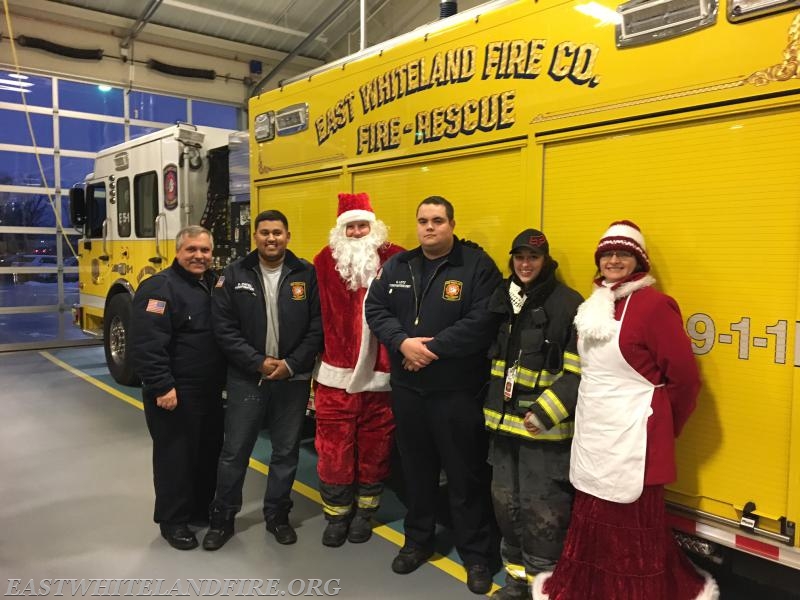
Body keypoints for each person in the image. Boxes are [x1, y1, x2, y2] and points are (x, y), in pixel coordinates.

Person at [533, 220, 718, 600]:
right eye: (607, 254)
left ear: (639, 262)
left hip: (635, 440)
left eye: (623, 254)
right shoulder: (592, 307)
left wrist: (664, 425)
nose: (614, 261)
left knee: (632, 527)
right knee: (593, 519)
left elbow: (685, 379)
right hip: (595, 436)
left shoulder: (654, 307)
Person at [365, 195, 502, 595]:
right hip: (409, 392)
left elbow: (483, 320)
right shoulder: (399, 266)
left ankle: (476, 554)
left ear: (452, 224)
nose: (429, 227)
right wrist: (402, 343)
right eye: (423, 220)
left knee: (465, 474)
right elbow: (376, 310)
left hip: (456, 394)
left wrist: (430, 349)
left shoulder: (477, 267)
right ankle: (418, 540)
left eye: (437, 220)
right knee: (416, 472)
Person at [202, 210, 322, 550]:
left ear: (288, 236)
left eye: (278, 233)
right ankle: (222, 518)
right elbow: (223, 329)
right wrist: (258, 363)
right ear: (255, 236)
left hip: (292, 380)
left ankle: (278, 517)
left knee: (285, 453)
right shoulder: (234, 274)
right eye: (265, 232)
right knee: (235, 451)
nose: (272, 238)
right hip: (246, 379)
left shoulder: (306, 274)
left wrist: (292, 364)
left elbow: (317, 326)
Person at [484, 229, 583, 599]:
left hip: (543, 434)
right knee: (506, 509)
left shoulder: (568, 304)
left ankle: (545, 590)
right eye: (519, 257)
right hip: (503, 429)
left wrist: (545, 413)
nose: (525, 264)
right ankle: (515, 584)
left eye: (533, 258)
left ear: (546, 262)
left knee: (543, 515)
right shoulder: (502, 300)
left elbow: (580, 372)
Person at [313, 192, 404, 547]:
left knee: (374, 449)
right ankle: (336, 517)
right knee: (333, 450)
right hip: (334, 377)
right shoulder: (323, 261)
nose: (355, 232)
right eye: (349, 226)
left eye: (361, 225)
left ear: (374, 227)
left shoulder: (395, 260)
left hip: (380, 380)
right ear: (340, 230)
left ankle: (365, 514)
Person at [130, 225, 226, 550]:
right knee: (175, 457)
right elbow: (146, 343)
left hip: (209, 391)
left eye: (205, 250)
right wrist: (161, 386)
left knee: (206, 453)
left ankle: (199, 510)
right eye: (192, 250)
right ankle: (173, 522)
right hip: (175, 391)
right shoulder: (159, 289)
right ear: (178, 251)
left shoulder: (214, 285)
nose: (199, 256)